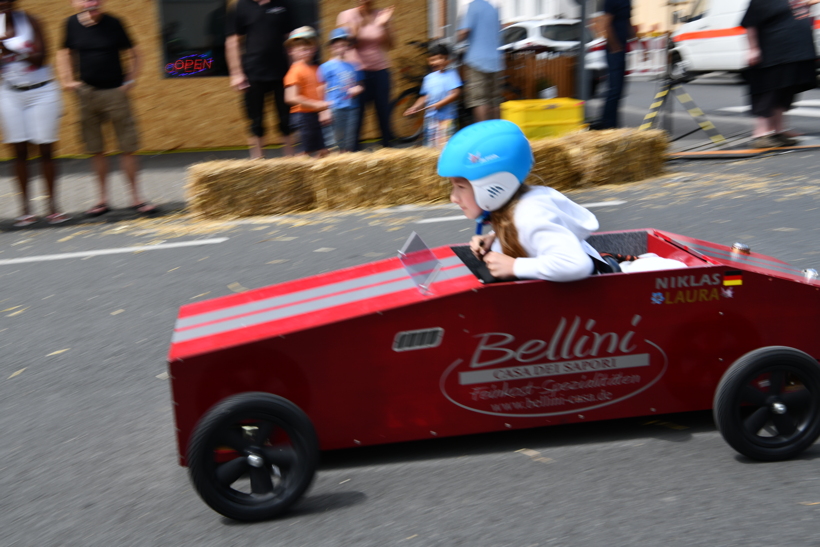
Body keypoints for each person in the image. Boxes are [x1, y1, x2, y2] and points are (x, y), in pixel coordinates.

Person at [438, 120, 600, 282]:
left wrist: (514, 266)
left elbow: (576, 264)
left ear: (492, 185)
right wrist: (496, 237)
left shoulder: (531, 215)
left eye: (460, 187)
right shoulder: (512, 209)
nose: (454, 197)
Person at [56, 0, 156, 217]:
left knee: (127, 146)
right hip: (87, 93)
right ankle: (102, 200)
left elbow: (137, 53)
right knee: (96, 149)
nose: (92, 8)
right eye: (87, 4)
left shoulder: (115, 23)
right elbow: (64, 53)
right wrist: (67, 80)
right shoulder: (70, 24)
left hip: (115, 93)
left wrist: (131, 80)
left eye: (96, 4)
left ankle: (136, 198)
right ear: (76, 4)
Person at [0, 0, 67, 227]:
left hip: (42, 91)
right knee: (19, 150)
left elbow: (41, 58)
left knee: (45, 148)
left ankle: (53, 208)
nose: (3, 3)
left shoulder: (31, 21)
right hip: (10, 93)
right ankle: (25, 211)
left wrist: (9, 50)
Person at [741, 0, 818, 149]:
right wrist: (753, 48)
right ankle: (761, 134)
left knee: (785, 94)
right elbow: (751, 24)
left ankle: (778, 131)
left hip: (797, 53)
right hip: (774, 54)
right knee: (768, 94)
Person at [225, 0, 296, 159]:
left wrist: (294, 71)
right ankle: (258, 161)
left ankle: (290, 161)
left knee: (286, 120)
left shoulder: (284, 4)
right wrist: (237, 73)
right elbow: (232, 42)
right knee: (255, 121)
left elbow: (291, 40)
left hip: (282, 73)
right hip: (253, 73)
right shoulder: (240, 6)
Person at [337, 0, 394, 149]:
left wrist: (384, 24)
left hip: (381, 71)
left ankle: (387, 151)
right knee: (357, 116)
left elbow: (391, 45)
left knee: (383, 113)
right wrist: (359, 24)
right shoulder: (346, 15)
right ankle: (354, 154)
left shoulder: (381, 14)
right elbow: (346, 45)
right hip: (356, 73)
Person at [403, 43, 462, 149]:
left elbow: (456, 93)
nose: (434, 62)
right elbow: (425, 97)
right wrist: (415, 107)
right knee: (431, 147)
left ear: (446, 59)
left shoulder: (452, 74)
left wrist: (439, 104)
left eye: (438, 59)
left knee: (445, 147)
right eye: (432, 60)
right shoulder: (428, 78)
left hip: (447, 119)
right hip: (431, 119)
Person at [283, 26, 330, 157]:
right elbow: (290, 97)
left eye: (310, 47)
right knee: (305, 151)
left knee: (324, 150)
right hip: (302, 116)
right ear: (291, 50)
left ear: (315, 48)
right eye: (301, 48)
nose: (306, 51)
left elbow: (322, 91)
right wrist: (316, 105)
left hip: (317, 115)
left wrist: (323, 109)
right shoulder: (295, 70)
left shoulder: (317, 69)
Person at [457, 0, 503, 123]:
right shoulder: (493, 8)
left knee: (480, 100)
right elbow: (499, 31)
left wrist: (455, 41)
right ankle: (496, 133)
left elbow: (464, 31)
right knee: (494, 100)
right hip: (495, 61)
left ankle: (484, 134)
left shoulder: (473, 6)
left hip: (477, 60)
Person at [318, 28, 363, 153]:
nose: (340, 48)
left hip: (352, 107)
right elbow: (321, 89)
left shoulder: (354, 67)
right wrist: (323, 111)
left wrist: (357, 89)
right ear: (331, 48)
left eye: (343, 45)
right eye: (337, 45)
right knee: (334, 142)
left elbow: (360, 85)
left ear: (348, 47)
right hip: (334, 108)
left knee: (349, 142)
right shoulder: (325, 67)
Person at [591, 0, 633, 130]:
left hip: (622, 48)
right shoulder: (610, 1)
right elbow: (606, 24)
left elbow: (628, 22)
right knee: (614, 89)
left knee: (619, 89)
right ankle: (608, 123)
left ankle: (610, 121)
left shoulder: (627, 1)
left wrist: (638, 42)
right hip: (614, 49)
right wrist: (614, 46)